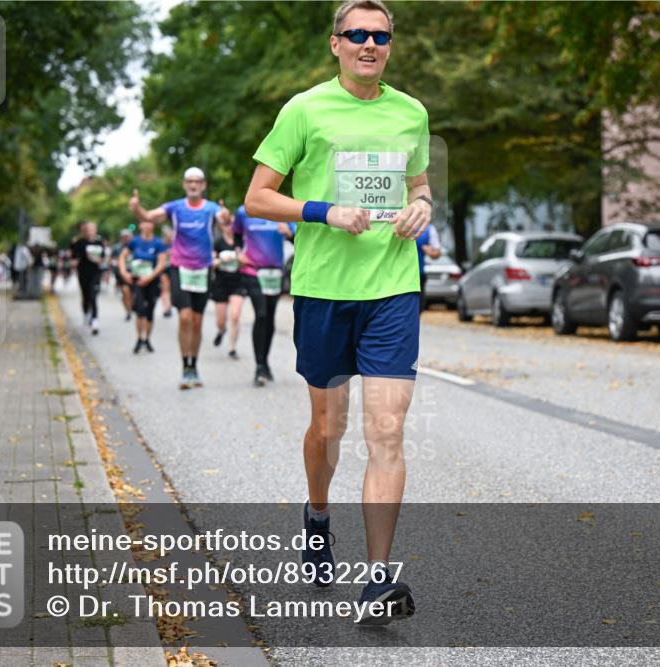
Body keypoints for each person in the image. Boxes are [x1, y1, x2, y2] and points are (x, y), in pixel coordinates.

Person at [244, 0, 431, 624]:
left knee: (387, 431)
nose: (369, 44)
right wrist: (325, 211)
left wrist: (422, 207)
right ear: (336, 43)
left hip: (393, 288)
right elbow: (257, 198)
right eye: (357, 34)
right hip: (324, 290)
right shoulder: (304, 110)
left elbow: (419, 185)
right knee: (329, 429)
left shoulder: (411, 113)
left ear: (391, 44)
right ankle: (318, 513)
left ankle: (378, 580)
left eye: (380, 36)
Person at [129, 167, 230, 389]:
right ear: (185, 184)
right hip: (180, 267)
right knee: (184, 318)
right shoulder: (174, 207)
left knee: (197, 321)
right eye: (189, 181)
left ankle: (194, 365)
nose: (193, 185)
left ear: (203, 185)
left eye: (197, 181)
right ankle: (185, 367)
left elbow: (224, 219)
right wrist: (137, 209)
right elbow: (148, 217)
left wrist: (225, 215)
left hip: (203, 269)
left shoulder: (211, 208)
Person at [235, 205, 296, 385]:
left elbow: (299, 239)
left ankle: (265, 362)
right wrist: (239, 253)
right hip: (252, 271)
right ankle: (259, 365)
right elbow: (236, 235)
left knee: (269, 317)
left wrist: (289, 234)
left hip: (275, 273)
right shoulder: (244, 211)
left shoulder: (283, 210)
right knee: (261, 315)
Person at [119, 219, 168, 353]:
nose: (146, 226)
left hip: (152, 281)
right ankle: (139, 338)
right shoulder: (134, 241)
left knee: (150, 311)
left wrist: (150, 277)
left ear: (153, 225)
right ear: (140, 225)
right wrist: (124, 272)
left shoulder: (158, 243)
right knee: (140, 309)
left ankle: (147, 339)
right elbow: (122, 257)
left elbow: (162, 263)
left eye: (149, 223)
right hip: (138, 281)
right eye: (144, 223)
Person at [210, 213, 245, 360]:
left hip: (238, 283)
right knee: (220, 320)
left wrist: (238, 258)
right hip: (221, 284)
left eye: (231, 224)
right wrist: (222, 260)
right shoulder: (217, 242)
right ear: (221, 226)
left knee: (235, 316)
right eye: (226, 224)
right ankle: (221, 330)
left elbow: (247, 261)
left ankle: (232, 348)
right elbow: (211, 263)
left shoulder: (241, 242)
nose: (229, 227)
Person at [70, 221, 106, 335]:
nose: (90, 232)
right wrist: (75, 262)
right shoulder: (79, 243)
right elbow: (73, 258)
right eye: (88, 229)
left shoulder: (99, 242)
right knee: (86, 296)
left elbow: (102, 258)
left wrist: (98, 260)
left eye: (92, 229)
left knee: (93, 296)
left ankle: (95, 321)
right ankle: (86, 313)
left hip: (95, 273)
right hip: (83, 272)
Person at [415, 223, 441, 313]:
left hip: (419, 273)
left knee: (418, 306)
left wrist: (430, 252)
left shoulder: (429, 229)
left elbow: (437, 253)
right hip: (397, 273)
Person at [113, 229, 135, 321]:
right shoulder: (117, 248)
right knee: (125, 292)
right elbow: (112, 259)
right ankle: (128, 312)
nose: (126, 239)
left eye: (128, 237)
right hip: (122, 274)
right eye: (124, 237)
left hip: (135, 273)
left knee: (133, 294)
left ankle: (132, 307)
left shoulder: (136, 246)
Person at [160, 224, 175, 318]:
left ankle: (169, 305)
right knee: (165, 288)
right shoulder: (161, 245)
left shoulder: (176, 244)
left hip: (174, 268)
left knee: (172, 289)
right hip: (164, 268)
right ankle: (166, 308)